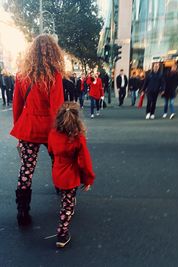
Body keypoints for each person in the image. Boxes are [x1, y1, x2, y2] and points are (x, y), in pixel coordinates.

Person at [10, 34, 65, 226]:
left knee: (26, 168)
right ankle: (60, 187)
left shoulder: (22, 76)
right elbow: (56, 107)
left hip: (29, 128)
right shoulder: (54, 75)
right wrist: (61, 131)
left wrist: (19, 131)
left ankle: (22, 210)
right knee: (57, 161)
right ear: (52, 51)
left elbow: (17, 106)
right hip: (49, 128)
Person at [48, 102, 95, 248]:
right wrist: (88, 179)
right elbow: (84, 161)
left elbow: (51, 150)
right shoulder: (77, 138)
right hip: (71, 174)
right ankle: (62, 233)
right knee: (67, 205)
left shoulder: (53, 134)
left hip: (57, 171)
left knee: (65, 195)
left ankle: (68, 203)